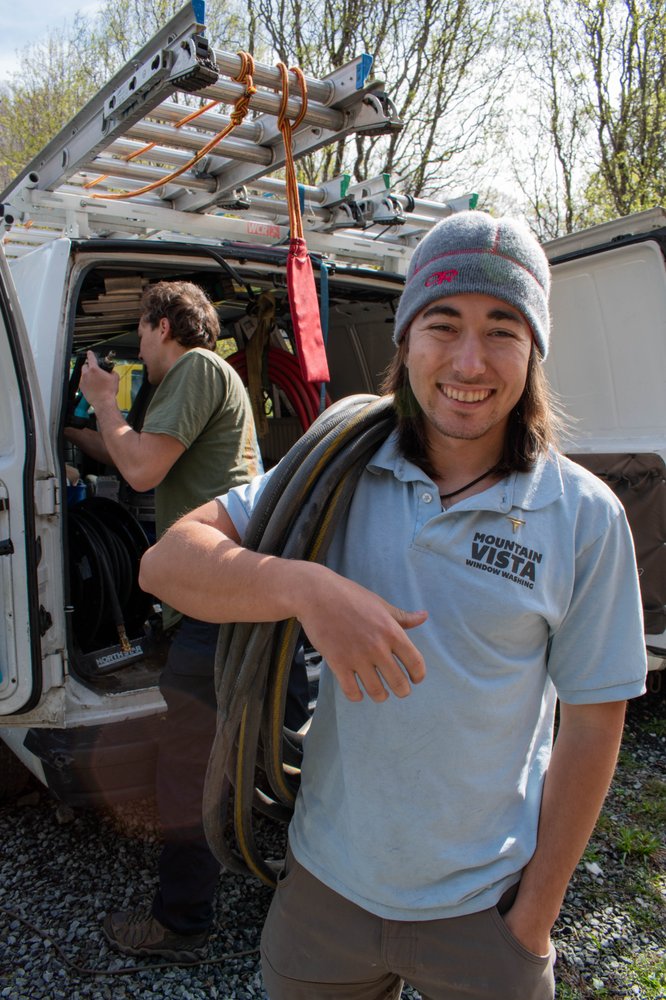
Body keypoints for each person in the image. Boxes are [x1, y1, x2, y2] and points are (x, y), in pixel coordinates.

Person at [138, 213, 647, 999]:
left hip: (484, 911)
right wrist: (305, 588)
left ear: (535, 352)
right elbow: (164, 563)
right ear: (405, 340)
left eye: (502, 330)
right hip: (323, 896)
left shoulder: (582, 517)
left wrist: (533, 919)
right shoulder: (335, 470)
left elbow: (592, 723)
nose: (469, 361)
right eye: (442, 324)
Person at [65, 280, 261, 961]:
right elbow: (129, 453)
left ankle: (182, 924)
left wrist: (104, 399)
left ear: (165, 325)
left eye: (142, 333)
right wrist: (80, 431)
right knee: (231, 750)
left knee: (188, 766)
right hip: (221, 598)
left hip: (215, 598)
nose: (140, 347)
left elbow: (142, 471)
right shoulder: (205, 381)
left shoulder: (197, 368)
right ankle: (275, 873)